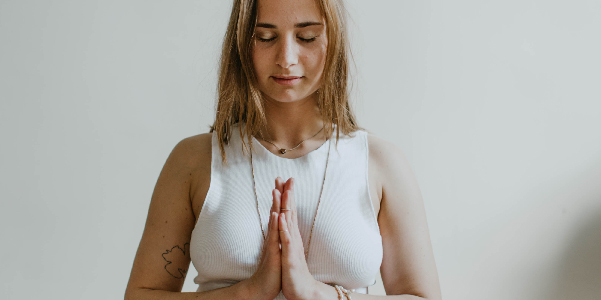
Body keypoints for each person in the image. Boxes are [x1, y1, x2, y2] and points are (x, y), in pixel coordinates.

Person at [125, 0, 442, 299]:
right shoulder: (194, 160)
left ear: (333, 40)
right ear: (241, 42)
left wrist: (315, 292)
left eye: (306, 37)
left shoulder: (380, 162)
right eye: (265, 37)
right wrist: (249, 292)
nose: (286, 57)